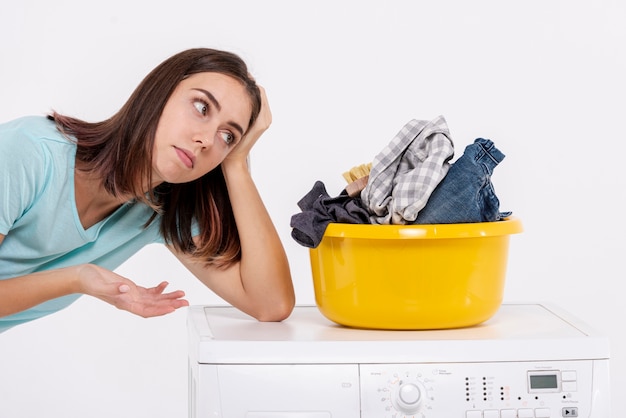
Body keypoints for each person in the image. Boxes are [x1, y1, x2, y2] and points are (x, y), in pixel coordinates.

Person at [0, 48, 295, 333]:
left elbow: (271, 304)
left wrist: (236, 164)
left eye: (228, 136)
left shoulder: (158, 212)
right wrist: (77, 278)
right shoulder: (29, 152)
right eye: (202, 107)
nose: (206, 140)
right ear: (160, 93)